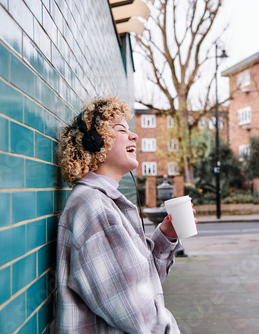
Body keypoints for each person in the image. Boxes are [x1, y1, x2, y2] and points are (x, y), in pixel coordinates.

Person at [56, 96, 193, 333]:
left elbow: (142, 283)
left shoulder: (106, 203)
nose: (134, 136)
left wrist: (166, 235)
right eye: (121, 130)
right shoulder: (94, 208)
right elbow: (137, 316)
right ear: (94, 142)